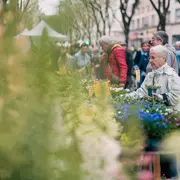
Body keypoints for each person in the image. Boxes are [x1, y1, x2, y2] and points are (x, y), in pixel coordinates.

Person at [127, 45, 180, 111]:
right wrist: (126, 96)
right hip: (153, 113)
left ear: (163, 58)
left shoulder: (172, 75)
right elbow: (142, 91)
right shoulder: (150, 75)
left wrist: (159, 97)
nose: (150, 60)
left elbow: (175, 97)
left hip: (170, 116)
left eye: (153, 58)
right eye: (150, 58)